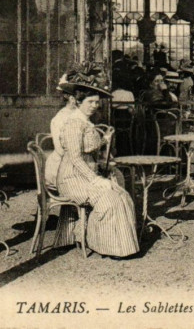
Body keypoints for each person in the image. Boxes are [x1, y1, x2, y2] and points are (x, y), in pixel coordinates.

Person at [54, 70, 139, 258]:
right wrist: (95, 180)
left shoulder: (86, 122)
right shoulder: (74, 123)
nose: (94, 106)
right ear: (78, 102)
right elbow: (75, 158)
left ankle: (117, 246)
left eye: (96, 102)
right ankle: (98, 242)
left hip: (85, 175)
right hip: (71, 178)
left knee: (121, 194)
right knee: (109, 200)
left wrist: (104, 140)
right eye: (89, 102)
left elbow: (88, 147)